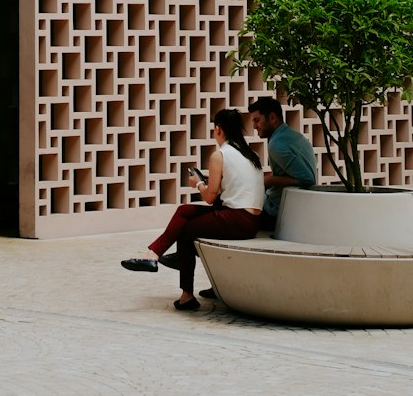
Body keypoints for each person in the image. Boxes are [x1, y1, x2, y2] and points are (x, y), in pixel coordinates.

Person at [120, 108, 265, 312]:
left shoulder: (220, 154)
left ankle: (185, 291)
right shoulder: (251, 154)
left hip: (235, 219)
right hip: (250, 221)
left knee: (186, 230)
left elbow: (209, 198)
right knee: (184, 211)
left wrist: (197, 183)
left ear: (218, 129)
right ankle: (153, 254)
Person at [248, 96, 317, 228]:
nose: (254, 126)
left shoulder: (277, 144)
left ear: (272, 118)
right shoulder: (294, 136)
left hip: (278, 212)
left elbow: (308, 179)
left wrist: (271, 180)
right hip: (297, 208)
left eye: (257, 120)